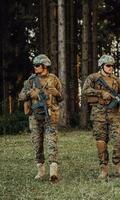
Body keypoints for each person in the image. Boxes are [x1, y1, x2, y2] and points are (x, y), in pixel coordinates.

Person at [82, 54, 120, 179]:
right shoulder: (93, 78)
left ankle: (119, 166)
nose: (110, 68)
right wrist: (101, 93)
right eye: (108, 66)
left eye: (112, 66)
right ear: (102, 66)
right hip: (98, 114)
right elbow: (85, 90)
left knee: (119, 140)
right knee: (101, 141)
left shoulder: (118, 81)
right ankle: (104, 168)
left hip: (114, 115)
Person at [18, 54, 63, 182]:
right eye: (34, 65)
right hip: (35, 117)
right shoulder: (31, 80)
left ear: (45, 66)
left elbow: (62, 97)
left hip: (50, 115)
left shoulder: (54, 79)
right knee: (37, 143)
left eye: (37, 65)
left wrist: (57, 93)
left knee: (51, 142)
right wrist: (29, 93)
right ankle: (41, 170)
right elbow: (21, 96)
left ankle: (53, 172)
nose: (35, 67)